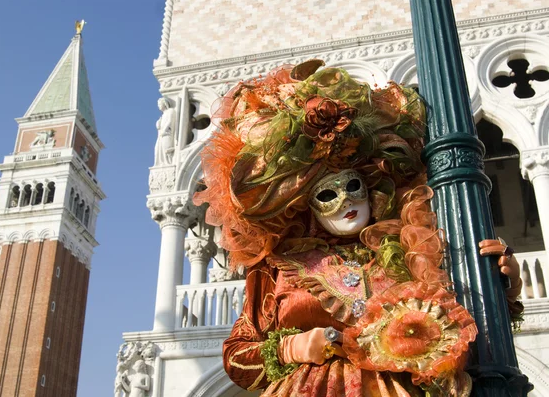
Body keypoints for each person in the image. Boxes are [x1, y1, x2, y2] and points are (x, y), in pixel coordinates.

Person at [194, 60, 522, 397]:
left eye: (352, 186)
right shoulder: (280, 269)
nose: (345, 201)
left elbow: (464, 328)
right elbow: (238, 355)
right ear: (305, 206)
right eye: (326, 194)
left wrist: (504, 288)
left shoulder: (408, 249)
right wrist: (293, 348)